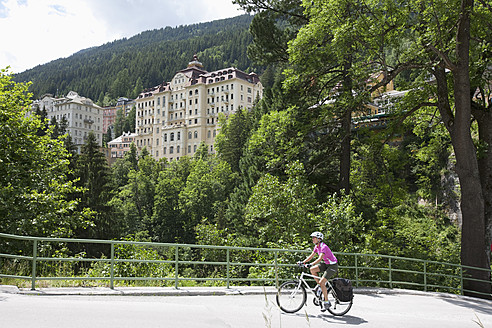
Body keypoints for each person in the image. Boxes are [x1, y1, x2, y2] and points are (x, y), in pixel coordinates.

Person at [300, 231, 338, 312]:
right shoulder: (316, 247)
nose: (312, 239)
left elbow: (320, 258)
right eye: (312, 238)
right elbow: (311, 256)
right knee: (312, 269)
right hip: (326, 264)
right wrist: (303, 262)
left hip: (332, 266)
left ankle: (327, 302)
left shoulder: (323, 247)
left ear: (319, 239)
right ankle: (320, 287)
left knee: (322, 282)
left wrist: (311, 264)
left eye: (314, 238)